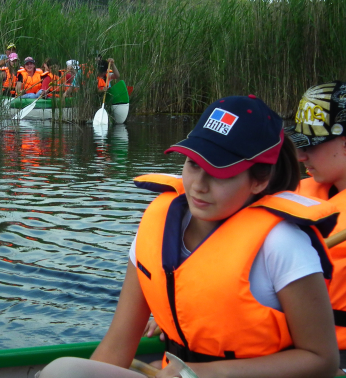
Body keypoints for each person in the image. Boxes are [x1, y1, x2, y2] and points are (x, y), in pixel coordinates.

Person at [38, 95, 339, 378]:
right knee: (63, 371)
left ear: (260, 180)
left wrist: (206, 374)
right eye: (194, 164)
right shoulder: (157, 224)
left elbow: (322, 360)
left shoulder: (282, 243)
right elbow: (117, 346)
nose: (199, 185)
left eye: (221, 172)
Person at [287, 81, 346, 375]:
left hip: (336, 353)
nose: (300, 157)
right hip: (285, 341)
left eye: (314, 145)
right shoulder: (298, 193)